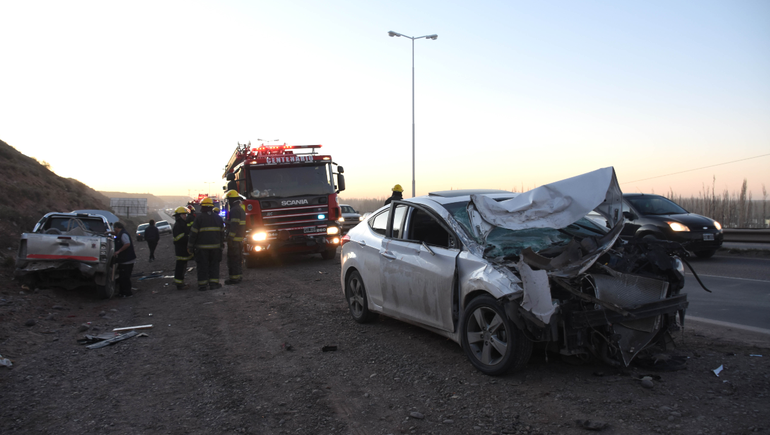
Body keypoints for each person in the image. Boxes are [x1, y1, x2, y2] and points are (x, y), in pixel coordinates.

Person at [187, 197, 224, 291]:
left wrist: (190, 246)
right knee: (214, 265)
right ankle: (214, 284)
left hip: (201, 248)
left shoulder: (199, 218)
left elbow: (193, 234)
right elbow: (222, 233)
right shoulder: (218, 218)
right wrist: (221, 244)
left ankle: (202, 285)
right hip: (215, 247)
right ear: (211, 207)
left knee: (202, 266)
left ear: (202, 207)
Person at [223, 190, 246, 285]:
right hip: (239, 239)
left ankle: (234, 279)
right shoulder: (240, 209)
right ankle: (239, 276)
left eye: (228, 199)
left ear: (231, 200)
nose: (228, 201)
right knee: (238, 258)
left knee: (233, 259)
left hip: (235, 240)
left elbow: (234, 225)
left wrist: (230, 237)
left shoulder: (234, 210)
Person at [112, 222, 136, 298]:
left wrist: (118, 251)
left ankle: (127, 293)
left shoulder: (123, 234)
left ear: (116, 228)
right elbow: (117, 236)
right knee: (122, 277)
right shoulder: (121, 233)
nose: (114, 230)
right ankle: (122, 293)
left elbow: (127, 244)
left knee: (125, 277)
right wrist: (110, 233)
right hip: (125, 260)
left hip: (127, 260)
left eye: (114, 229)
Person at [172, 207, 193, 289]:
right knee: (180, 267)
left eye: (185, 214)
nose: (185, 216)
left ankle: (180, 283)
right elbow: (178, 238)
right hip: (181, 250)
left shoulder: (182, 223)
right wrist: (188, 237)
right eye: (183, 214)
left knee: (183, 267)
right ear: (179, 215)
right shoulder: (178, 225)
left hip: (183, 249)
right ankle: (179, 284)